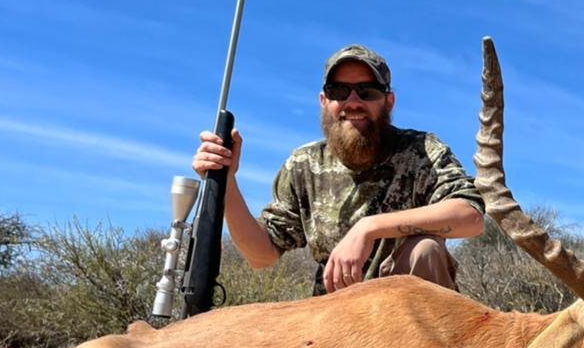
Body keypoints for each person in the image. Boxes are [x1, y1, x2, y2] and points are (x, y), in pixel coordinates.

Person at [192, 44, 485, 295]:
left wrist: (368, 228)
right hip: (334, 318)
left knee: (426, 251)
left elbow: (470, 217)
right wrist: (226, 182)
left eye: (367, 91)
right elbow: (261, 255)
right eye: (339, 91)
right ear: (324, 101)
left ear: (389, 101)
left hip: (405, 315)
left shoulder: (422, 150)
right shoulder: (304, 163)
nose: (353, 102)